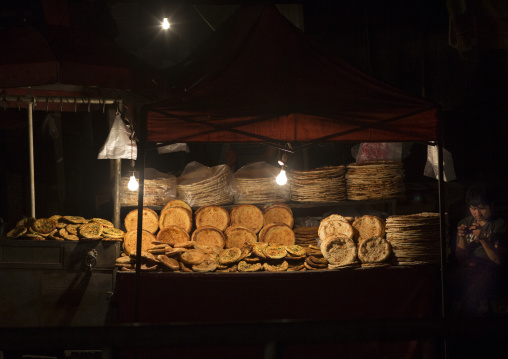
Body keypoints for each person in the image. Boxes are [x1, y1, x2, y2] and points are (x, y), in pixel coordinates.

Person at [451, 184, 507, 315]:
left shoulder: (499, 224)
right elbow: (460, 258)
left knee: (473, 291)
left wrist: (483, 239)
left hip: (488, 269)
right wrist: (462, 238)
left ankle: (470, 327)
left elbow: (498, 260)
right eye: (473, 208)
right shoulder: (464, 223)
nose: (477, 213)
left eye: (482, 208)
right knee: (445, 285)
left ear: (491, 206)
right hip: (467, 268)